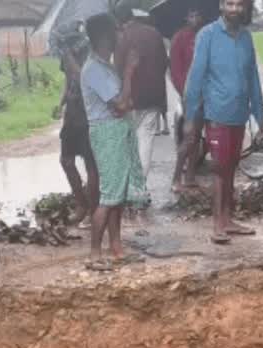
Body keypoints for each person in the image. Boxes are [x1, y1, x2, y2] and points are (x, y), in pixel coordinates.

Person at [183, 0, 263, 245]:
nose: (235, 9)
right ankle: (218, 224)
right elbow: (196, 77)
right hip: (216, 115)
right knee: (219, 170)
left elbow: (253, 77)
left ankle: (229, 220)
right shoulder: (207, 35)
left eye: (239, 4)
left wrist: (259, 117)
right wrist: (190, 117)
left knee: (231, 168)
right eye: (229, 3)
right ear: (221, 6)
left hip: (239, 115)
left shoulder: (246, 38)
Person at [81, 12, 148, 271]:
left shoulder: (104, 65)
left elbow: (125, 102)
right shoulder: (95, 69)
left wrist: (125, 79)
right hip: (108, 133)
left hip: (116, 130)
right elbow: (122, 103)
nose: (121, 35)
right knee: (109, 196)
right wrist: (129, 72)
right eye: (116, 31)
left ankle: (116, 248)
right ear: (104, 36)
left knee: (116, 195)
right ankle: (94, 254)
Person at [114, 2, 169, 181]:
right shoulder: (154, 33)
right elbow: (163, 64)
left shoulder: (121, 39)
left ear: (118, 20)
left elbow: (117, 71)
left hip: (129, 98)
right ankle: (140, 185)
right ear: (132, 15)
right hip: (153, 95)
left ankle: (130, 183)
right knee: (145, 140)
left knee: (130, 141)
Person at [57, 27, 100, 226]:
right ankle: (81, 203)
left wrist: (68, 53)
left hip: (88, 114)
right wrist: (60, 103)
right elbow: (68, 79)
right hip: (72, 114)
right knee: (66, 160)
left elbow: (82, 77)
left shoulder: (89, 48)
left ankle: (93, 210)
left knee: (91, 165)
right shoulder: (65, 49)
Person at [170, 5, 204, 191]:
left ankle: (190, 175)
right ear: (186, 17)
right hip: (190, 95)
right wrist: (184, 92)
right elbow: (175, 70)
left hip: (207, 93)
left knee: (197, 138)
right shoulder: (180, 38)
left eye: (198, 14)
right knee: (189, 137)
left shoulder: (206, 36)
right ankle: (176, 178)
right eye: (192, 14)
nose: (195, 18)